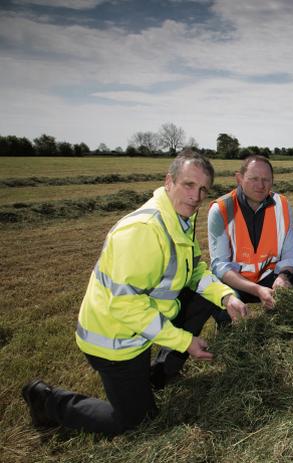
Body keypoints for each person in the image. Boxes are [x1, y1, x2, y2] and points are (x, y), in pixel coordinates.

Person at [21, 149, 248, 437]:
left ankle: (156, 375)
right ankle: (47, 400)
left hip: (141, 329)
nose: (196, 196)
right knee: (136, 424)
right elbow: (126, 306)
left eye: (203, 189)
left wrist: (226, 296)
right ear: (169, 182)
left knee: (204, 299)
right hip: (116, 341)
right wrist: (185, 341)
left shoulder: (179, 220)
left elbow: (194, 271)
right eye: (189, 185)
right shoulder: (144, 230)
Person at [207, 155, 293, 319]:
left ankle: (284, 319)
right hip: (237, 283)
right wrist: (257, 290)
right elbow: (220, 266)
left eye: (266, 180)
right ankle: (228, 330)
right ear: (239, 178)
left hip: (270, 276)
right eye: (253, 179)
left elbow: (290, 252)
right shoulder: (221, 209)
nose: (260, 186)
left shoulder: (281, 204)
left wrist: (283, 277)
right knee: (224, 302)